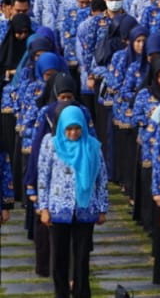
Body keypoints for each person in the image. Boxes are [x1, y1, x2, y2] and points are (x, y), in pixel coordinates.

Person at [36, 103, 106, 298]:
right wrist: (43, 208)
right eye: (69, 128)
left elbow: (101, 179)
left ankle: (82, 292)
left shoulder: (92, 146)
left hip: (85, 209)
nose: (73, 133)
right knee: (59, 257)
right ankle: (61, 293)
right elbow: (43, 176)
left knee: (82, 257)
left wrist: (102, 208)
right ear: (62, 127)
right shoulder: (51, 144)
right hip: (59, 209)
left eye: (77, 128)